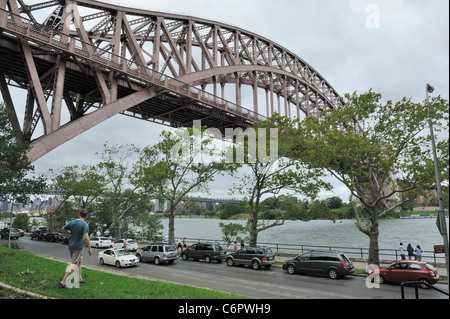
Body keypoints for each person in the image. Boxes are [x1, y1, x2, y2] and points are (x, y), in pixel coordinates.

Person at [59, 209, 92, 288]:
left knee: (79, 261)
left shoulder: (72, 222)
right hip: (78, 247)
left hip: (71, 245)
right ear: (85, 216)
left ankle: (80, 279)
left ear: (79, 214)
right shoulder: (85, 224)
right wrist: (90, 248)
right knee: (74, 264)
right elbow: (86, 237)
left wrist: (69, 233)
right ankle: (63, 282)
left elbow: (63, 228)